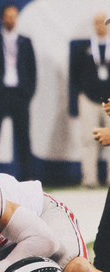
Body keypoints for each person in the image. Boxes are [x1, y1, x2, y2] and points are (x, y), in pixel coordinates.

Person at [0, 5, 36, 180]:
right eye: (8, 16)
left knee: (23, 138)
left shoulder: (25, 42)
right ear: (2, 19)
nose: (11, 20)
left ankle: (27, 178)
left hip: (19, 94)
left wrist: (28, 92)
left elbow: (32, 70)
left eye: (14, 16)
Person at [70, 12, 110, 188]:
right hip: (89, 100)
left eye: (103, 22)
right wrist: (81, 93)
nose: (100, 26)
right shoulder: (84, 49)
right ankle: (89, 179)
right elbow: (74, 74)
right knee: (88, 140)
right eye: (97, 23)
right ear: (93, 25)